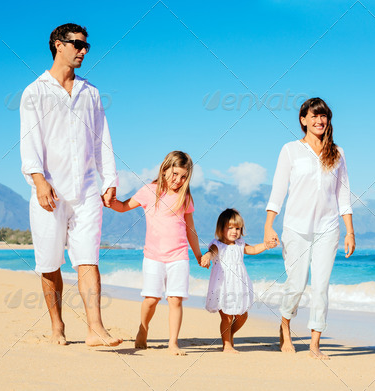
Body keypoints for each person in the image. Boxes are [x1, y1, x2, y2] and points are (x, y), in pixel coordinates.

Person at [20, 23, 122, 346]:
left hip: (87, 190)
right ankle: (57, 327)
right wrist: (38, 180)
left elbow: (101, 140)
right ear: (57, 45)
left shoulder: (90, 93)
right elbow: (29, 142)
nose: (82, 50)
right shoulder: (34, 92)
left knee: (88, 258)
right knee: (50, 263)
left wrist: (110, 180)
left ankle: (95, 329)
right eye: (76, 44)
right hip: (49, 190)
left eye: (85, 46)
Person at [263, 97, 356, 359]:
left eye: (323, 115)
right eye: (313, 116)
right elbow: (279, 190)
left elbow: (344, 194)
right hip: (295, 227)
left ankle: (315, 343)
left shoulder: (337, 153)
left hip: (328, 228)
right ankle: (285, 325)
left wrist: (350, 230)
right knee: (296, 284)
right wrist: (269, 225)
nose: (319, 120)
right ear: (303, 120)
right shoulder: (290, 150)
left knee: (321, 286)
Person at [110, 151, 202, 355]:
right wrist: (106, 200)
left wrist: (197, 255)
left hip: (179, 256)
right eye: (175, 174)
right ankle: (143, 329)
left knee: (175, 299)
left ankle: (173, 342)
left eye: (184, 177)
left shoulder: (185, 197)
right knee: (151, 299)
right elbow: (124, 207)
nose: (178, 180)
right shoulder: (149, 191)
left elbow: (190, 229)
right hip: (153, 256)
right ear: (165, 168)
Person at [201, 208, 276, 353]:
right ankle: (227, 344)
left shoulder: (240, 244)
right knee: (227, 317)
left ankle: (229, 335)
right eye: (230, 228)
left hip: (239, 286)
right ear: (221, 229)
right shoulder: (217, 244)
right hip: (223, 286)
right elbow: (211, 252)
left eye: (237, 228)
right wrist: (206, 257)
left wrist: (266, 245)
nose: (234, 231)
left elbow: (253, 249)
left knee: (242, 315)